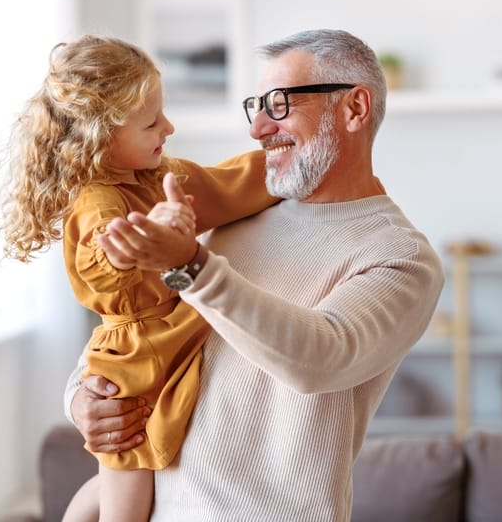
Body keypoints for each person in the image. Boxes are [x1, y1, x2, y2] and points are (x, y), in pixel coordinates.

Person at [64, 29, 445, 521]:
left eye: (281, 104)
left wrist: (189, 264)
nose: (259, 128)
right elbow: (143, 324)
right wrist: (81, 398)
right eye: (257, 106)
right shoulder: (235, 217)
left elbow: (318, 358)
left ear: (354, 109)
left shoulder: (399, 256)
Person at [0, 35, 277, 521]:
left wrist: (286, 163)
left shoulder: (159, 177)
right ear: (100, 137)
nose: (168, 126)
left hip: (169, 331)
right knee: (127, 495)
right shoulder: (98, 201)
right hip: (133, 362)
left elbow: (227, 185)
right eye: (151, 122)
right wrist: (149, 237)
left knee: (117, 490)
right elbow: (104, 264)